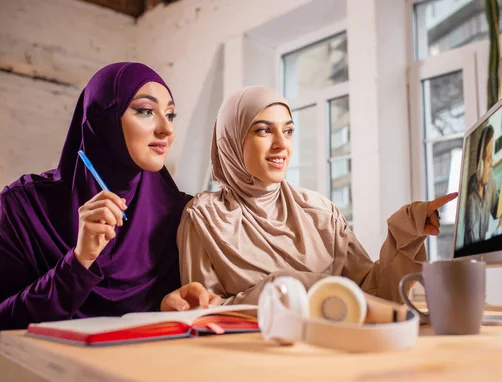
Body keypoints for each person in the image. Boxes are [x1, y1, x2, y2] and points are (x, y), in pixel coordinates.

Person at [160, 86, 456, 311]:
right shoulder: (204, 217)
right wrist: (284, 286)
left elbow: (373, 291)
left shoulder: (320, 212)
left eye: (288, 131)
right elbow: (205, 312)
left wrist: (405, 232)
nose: (281, 145)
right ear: (231, 140)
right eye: (264, 130)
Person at [0, 62, 191, 330]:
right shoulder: (22, 207)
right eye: (146, 111)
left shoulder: (182, 213)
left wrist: (169, 307)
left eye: (170, 115)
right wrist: (79, 260)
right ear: (103, 118)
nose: (166, 129)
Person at [464, 125, 502, 246]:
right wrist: (500, 228)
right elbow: (476, 252)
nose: (491, 163)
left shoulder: (489, 177)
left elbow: (497, 209)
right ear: (479, 166)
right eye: (488, 159)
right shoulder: (471, 205)